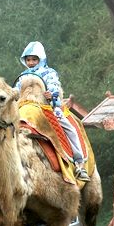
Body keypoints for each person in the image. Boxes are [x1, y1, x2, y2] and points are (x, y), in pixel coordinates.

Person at [15, 41, 87, 180]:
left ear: (41, 59)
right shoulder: (22, 76)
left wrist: (51, 95)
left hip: (46, 108)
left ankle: (79, 164)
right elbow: (17, 91)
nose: (31, 62)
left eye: (34, 59)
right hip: (25, 110)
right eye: (28, 60)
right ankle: (2, 168)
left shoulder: (49, 72)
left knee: (69, 128)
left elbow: (54, 87)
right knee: (6, 128)